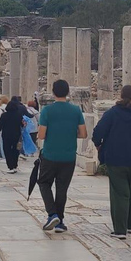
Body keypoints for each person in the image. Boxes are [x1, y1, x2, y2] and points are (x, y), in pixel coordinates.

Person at [93, 85, 131, 240]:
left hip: (116, 160)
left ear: (120, 96)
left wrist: (98, 145)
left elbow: (98, 132)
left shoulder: (112, 113)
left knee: (119, 193)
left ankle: (120, 230)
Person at [36, 79, 87, 233]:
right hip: (69, 156)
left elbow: (41, 135)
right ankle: (60, 222)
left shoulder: (47, 111)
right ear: (68, 93)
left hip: (50, 154)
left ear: (53, 92)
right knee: (62, 189)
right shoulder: (76, 110)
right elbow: (84, 133)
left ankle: (52, 214)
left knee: (44, 183)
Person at [0, 100, 23, 173]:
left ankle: (10, 166)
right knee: (16, 150)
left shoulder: (4, 115)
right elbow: (22, 124)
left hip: (6, 135)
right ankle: (15, 165)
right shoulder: (19, 114)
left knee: (7, 150)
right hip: (16, 135)